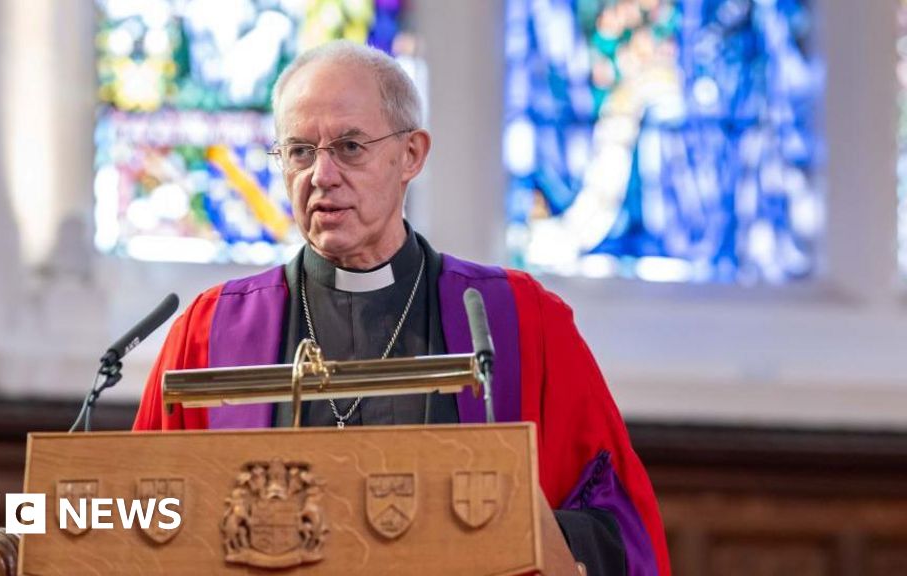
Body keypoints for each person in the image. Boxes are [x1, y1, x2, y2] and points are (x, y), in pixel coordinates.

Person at [133, 40, 670, 576]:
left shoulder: (522, 321)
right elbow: (139, 518)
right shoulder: (211, 332)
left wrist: (514, 528)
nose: (320, 175)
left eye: (348, 147)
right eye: (299, 151)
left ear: (411, 154)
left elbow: (618, 526)